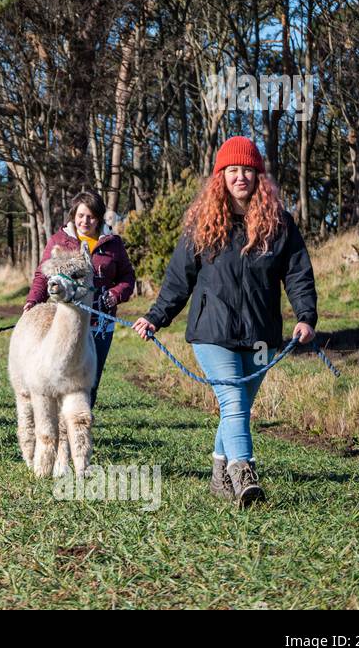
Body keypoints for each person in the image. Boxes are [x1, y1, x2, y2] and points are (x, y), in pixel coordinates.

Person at [132, 137, 317, 507]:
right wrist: (155, 317)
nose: (240, 176)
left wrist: (305, 316)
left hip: (263, 336)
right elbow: (178, 279)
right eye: (232, 170)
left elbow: (298, 274)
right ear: (221, 176)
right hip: (212, 332)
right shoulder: (203, 223)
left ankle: (219, 475)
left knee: (240, 407)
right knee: (232, 400)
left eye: (247, 169)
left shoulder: (279, 223)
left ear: (258, 175)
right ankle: (244, 473)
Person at [24, 189, 136, 409]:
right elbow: (43, 274)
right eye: (81, 215)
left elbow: (127, 277)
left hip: (99, 324)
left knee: (88, 381)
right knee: (60, 375)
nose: (85, 221)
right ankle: (58, 422)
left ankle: (80, 425)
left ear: (99, 217)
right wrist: (33, 302)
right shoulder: (60, 240)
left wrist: (115, 294)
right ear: (73, 216)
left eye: (91, 216)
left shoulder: (113, 243)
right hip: (65, 322)